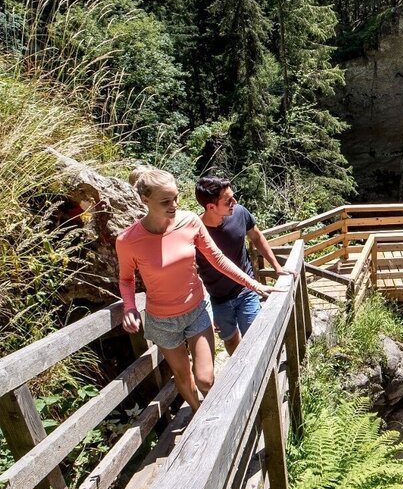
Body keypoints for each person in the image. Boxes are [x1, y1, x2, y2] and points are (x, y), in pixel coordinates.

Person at [117, 166, 274, 411]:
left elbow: (217, 258)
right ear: (145, 200)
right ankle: (198, 413)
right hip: (161, 319)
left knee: (205, 379)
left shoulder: (189, 221)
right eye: (166, 201)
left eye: (176, 197)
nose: (174, 205)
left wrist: (252, 284)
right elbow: (126, 279)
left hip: (196, 309)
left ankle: (214, 413)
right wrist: (129, 307)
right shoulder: (128, 240)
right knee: (183, 376)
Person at [194, 175, 294, 353]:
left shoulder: (240, 213)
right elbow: (192, 270)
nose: (235, 202)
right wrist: (206, 307)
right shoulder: (195, 231)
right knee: (231, 341)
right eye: (228, 201)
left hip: (246, 289)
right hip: (217, 297)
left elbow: (257, 236)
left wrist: (277, 267)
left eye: (233, 197)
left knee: (255, 337)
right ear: (211, 207)